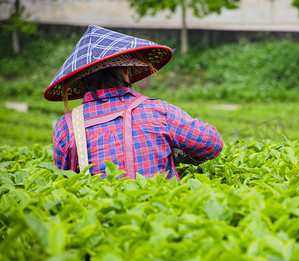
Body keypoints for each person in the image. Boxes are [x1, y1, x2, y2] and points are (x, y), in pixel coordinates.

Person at [44, 24, 223, 180]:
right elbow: (212, 144)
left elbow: (66, 181)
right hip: (161, 214)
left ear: (83, 81)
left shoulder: (66, 127)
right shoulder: (158, 111)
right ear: (126, 71)